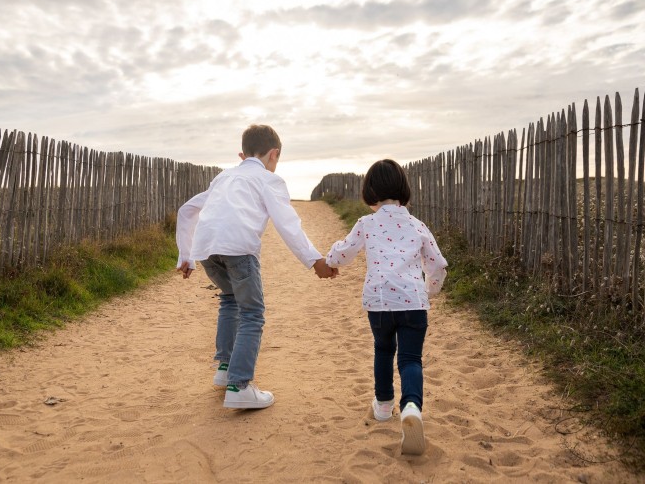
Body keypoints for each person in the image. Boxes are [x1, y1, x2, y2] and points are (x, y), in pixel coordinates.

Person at [176, 124, 337, 410]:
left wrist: (185, 256)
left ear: (242, 155)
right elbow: (287, 223)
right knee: (252, 313)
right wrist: (314, 260)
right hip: (238, 249)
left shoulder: (223, 177)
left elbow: (187, 210)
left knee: (229, 300)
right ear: (274, 154)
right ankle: (240, 385)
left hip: (206, 250)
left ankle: (225, 370)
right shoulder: (267, 180)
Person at [325, 158, 447, 455]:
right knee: (410, 359)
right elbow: (438, 265)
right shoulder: (417, 225)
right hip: (413, 302)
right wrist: (428, 291)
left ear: (370, 191)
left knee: (383, 350)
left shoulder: (367, 223)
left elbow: (344, 253)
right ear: (403, 189)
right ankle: (412, 409)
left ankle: (382, 407)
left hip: (379, 302)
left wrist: (330, 261)